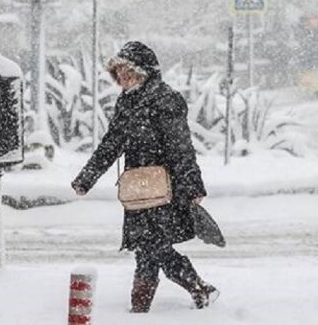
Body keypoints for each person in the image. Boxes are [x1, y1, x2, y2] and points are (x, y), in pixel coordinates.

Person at [71, 41, 219, 313]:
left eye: (129, 71)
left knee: (154, 247)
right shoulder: (126, 102)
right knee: (148, 248)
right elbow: (111, 143)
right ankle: (189, 291)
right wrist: (86, 178)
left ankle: (147, 305)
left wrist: (192, 185)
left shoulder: (165, 99)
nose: (123, 77)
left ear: (144, 72)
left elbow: (181, 147)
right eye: (119, 72)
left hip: (165, 188)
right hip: (138, 189)